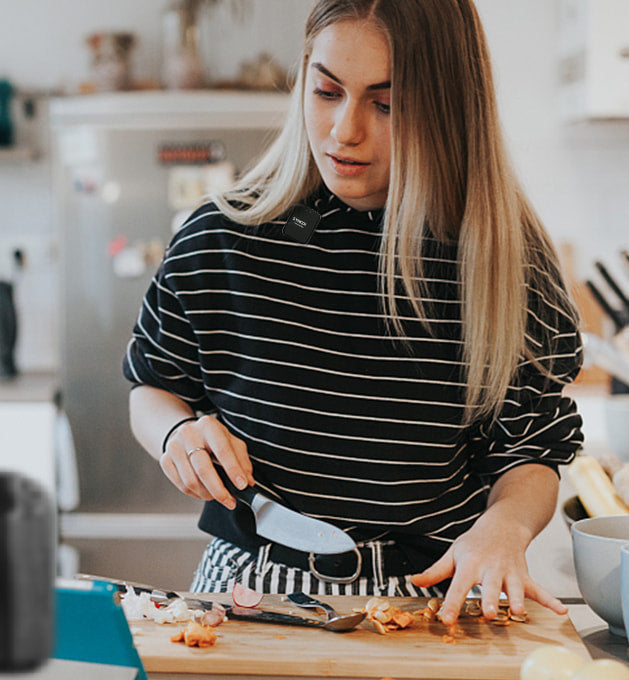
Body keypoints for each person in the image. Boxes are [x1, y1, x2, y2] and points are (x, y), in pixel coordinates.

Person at [123, 0, 583, 627]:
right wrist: (175, 434)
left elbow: (530, 448)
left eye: (386, 104)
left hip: (433, 595)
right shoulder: (222, 238)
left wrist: (503, 529)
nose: (345, 130)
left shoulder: (504, 263)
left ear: (450, 107)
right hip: (252, 594)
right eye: (327, 91)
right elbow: (154, 387)